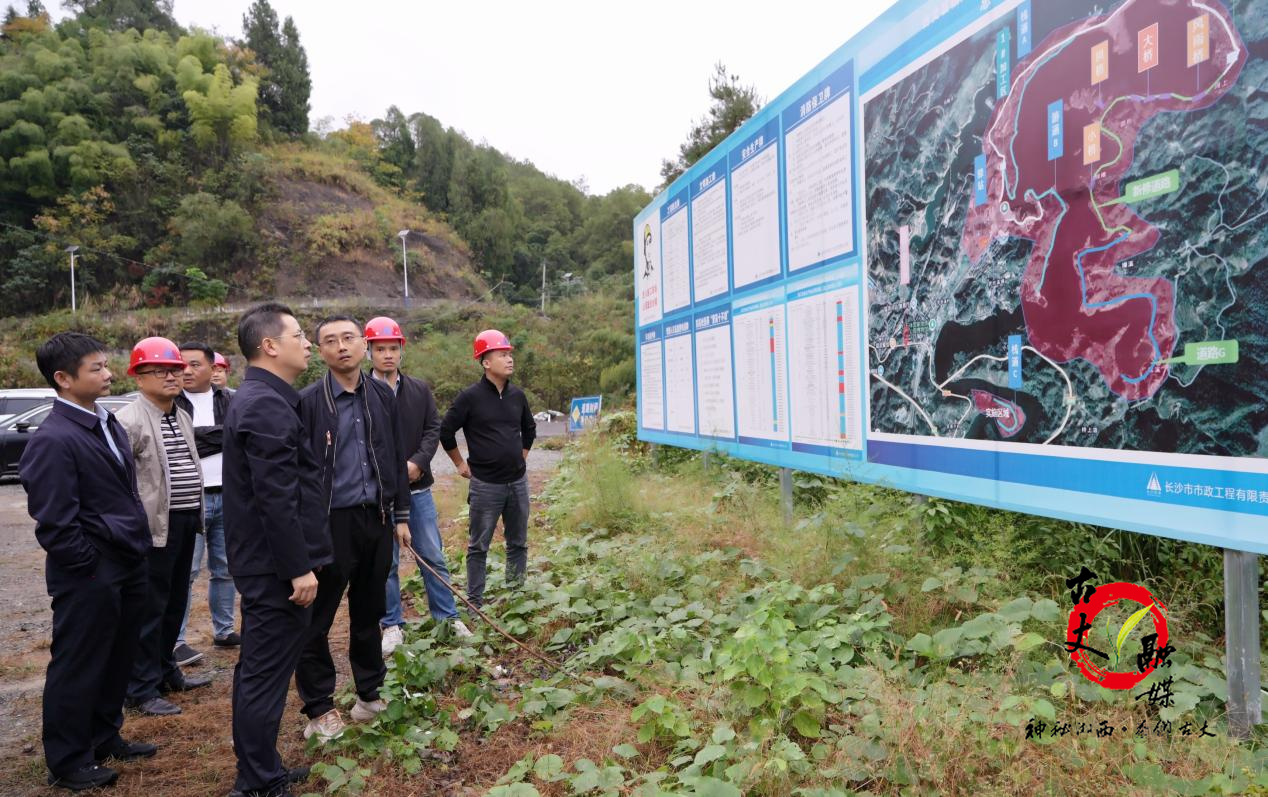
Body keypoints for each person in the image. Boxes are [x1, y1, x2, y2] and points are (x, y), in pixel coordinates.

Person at [19, 332, 154, 791]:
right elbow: (55, 521)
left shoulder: (105, 421)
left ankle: (103, 736)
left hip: (126, 560)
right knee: (79, 662)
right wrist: (90, 565)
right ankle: (68, 759)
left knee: (118, 655)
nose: (109, 374)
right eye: (96, 368)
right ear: (63, 378)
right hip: (90, 571)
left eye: (106, 365)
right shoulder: (54, 438)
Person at [222, 303, 331, 797]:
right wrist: (298, 568)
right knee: (264, 675)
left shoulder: (266, 398)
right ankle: (258, 782)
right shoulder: (264, 404)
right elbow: (276, 498)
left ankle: (260, 768)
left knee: (260, 670)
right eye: (299, 335)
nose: (308, 344)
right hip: (274, 569)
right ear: (269, 345)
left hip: (268, 564)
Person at [295, 315, 412, 741]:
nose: (341, 346)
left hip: (375, 518)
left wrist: (401, 515)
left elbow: (396, 455)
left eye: (348, 338)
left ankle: (369, 693)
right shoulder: (308, 403)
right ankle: (319, 707)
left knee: (369, 611)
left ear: (363, 344)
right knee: (317, 617)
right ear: (320, 351)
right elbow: (300, 471)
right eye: (331, 340)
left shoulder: (381, 395)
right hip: (329, 522)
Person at [364, 316, 472, 656]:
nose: (387, 355)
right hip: (379, 495)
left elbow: (432, 429)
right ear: (369, 352)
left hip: (418, 488)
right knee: (387, 564)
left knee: (432, 555)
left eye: (393, 348)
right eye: (380, 349)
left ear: (402, 351)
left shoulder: (418, 390)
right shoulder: (361, 393)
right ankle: (391, 624)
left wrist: (418, 463)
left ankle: (447, 618)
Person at [116, 338, 213, 717]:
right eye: (160, 371)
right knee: (149, 607)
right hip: (154, 527)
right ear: (139, 378)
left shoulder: (181, 415)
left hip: (185, 520)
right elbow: (120, 483)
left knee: (174, 602)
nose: (172, 377)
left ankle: (166, 670)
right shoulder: (129, 421)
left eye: (176, 370)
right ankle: (140, 688)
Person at [439, 330, 536, 609]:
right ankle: (475, 603)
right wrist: (460, 463)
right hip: (485, 485)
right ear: (485, 362)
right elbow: (446, 431)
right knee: (478, 546)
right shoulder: (470, 397)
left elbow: (529, 429)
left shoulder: (517, 395)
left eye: (510, 354)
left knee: (518, 542)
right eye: (502, 355)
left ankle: (516, 598)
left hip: (517, 482)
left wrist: (520, 459)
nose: (509, 359)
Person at [173, 342, 239, 665]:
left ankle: (224, 630)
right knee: (185, 571)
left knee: (225, 568)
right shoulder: (171, 402)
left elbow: (237, 436)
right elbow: (181, 443)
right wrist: (220, 436)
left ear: (213, 368)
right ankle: (176, 640)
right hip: (190, 498)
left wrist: (201, 436)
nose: (186, 371)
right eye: (181, 365)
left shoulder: (231, 400)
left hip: (228, 494)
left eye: (194, 364)